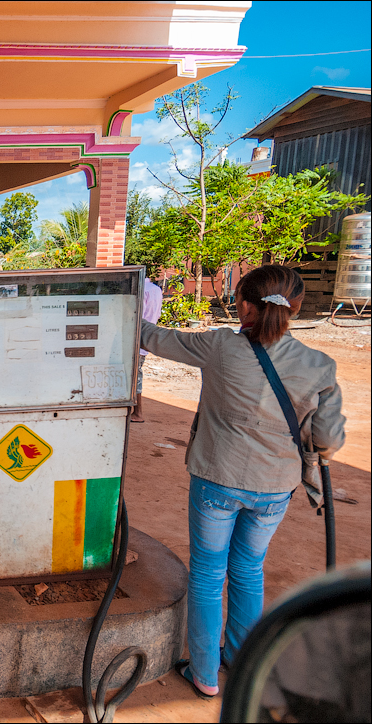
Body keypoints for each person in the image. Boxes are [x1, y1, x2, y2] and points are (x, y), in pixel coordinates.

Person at [138, 265, 346, 699]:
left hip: (218, 482)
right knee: (249, 572)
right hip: (274, 489)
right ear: (297, 308)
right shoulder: (320, 365)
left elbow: (153, 338)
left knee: (209, 575)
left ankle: (205, 675)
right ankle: (240, 660)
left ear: (243, 305)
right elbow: (327, 440)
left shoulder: (217, 346)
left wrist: (116, 305)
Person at [131, 276, 164, 422]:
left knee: (134, 377)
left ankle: (138, 413)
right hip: (147, 337)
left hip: (135, 339)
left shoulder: (141, 290)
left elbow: (136, 316)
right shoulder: (156, 290)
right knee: (135, 375)